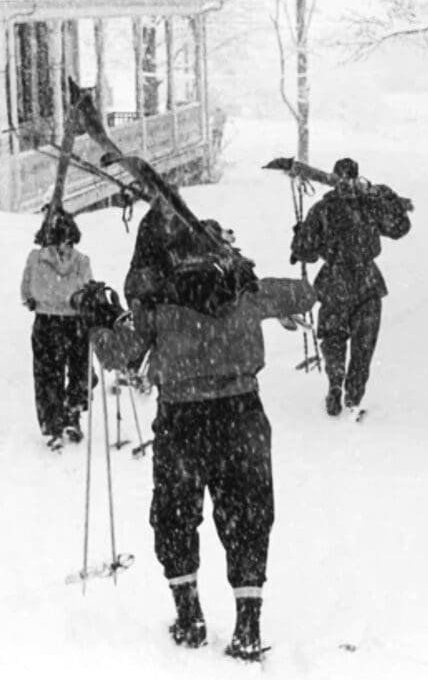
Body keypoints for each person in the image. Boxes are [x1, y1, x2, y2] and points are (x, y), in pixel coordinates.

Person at [92, 214, 315, 662]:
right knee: (248, 516)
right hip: (242, 414)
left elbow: (120, 353)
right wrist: (244, 270)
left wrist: (99, 321)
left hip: (182, 421)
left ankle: (190, 616)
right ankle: (248, 626)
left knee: (175, 514)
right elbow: (304, 294)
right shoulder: (245, 290)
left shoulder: (160, 300)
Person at [290, 157, 412, 417]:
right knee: (363, 346)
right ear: (357, 177)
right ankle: (353, 396)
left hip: (334, 282)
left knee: (333, 338)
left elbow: (305, 252)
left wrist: (300, 234)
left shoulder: (322, 209)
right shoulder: (370, 205)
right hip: (367, 283)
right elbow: (400, 229)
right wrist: (392, 203)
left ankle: (335, 381)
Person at [20, 209, 93, 449]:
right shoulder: (82, 261)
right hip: (74, 322)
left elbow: (26, 291)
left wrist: (36, 300)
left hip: (47, 320)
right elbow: (88, 290)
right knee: (78, 369)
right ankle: (72, 413)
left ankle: (53, 422)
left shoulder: (36, 259)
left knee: (47, 374)